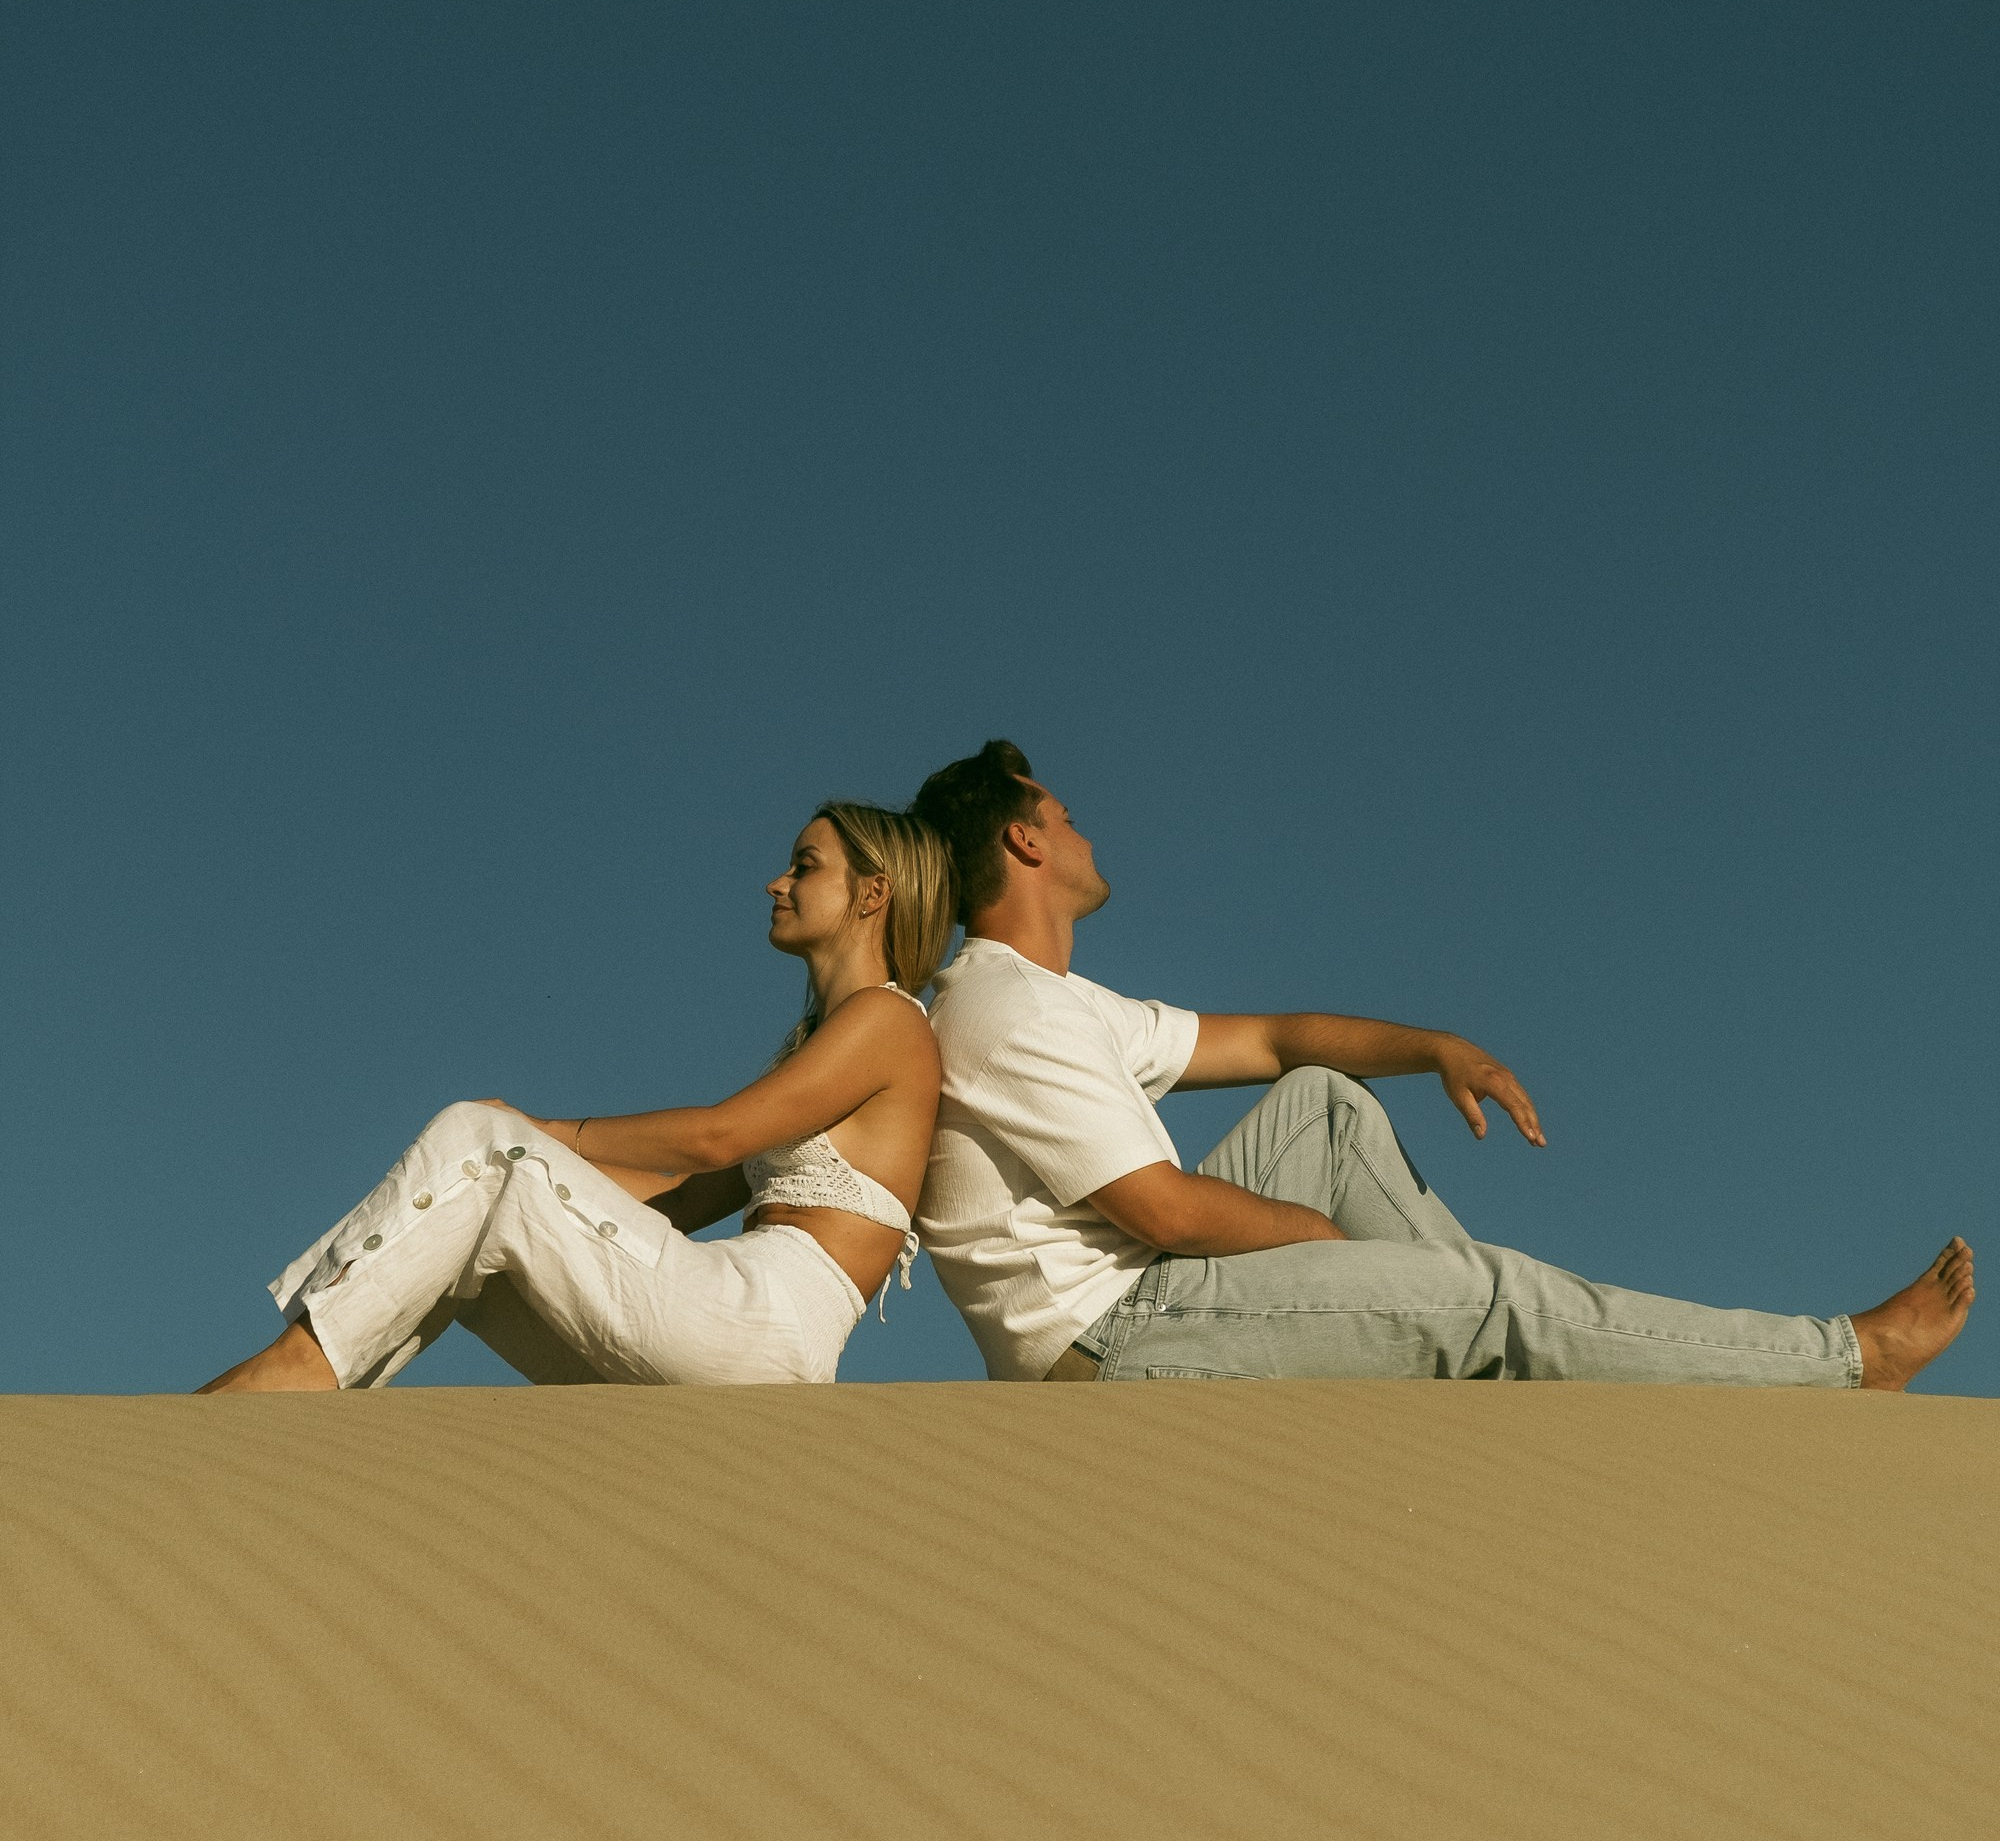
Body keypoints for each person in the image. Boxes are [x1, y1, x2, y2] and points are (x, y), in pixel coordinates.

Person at [905, 741, 1974, 1393]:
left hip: (1157, 1299)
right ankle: (1845, 1359)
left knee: (1321, 1105)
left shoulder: (1061, 999)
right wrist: (1315, 1243)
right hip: (1108, 1347)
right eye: (1063, 814)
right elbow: (1165, 1214)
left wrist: (1431, 1050)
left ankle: (1483, 1357)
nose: (1083, 830)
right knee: (1487, 1290)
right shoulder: (1003, 1009)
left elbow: (1275, 1041)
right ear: (1025, 843)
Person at [199, 803, 951, 1393]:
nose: (776, 882)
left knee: (474, 1135)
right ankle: (302, 1392)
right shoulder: (816, 1042)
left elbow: (716, 1138)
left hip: (766, 1322)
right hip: (736, 1334)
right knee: (470, 1233)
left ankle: (293, 1371)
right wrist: (530, 1168)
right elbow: (681, 1198)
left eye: (804, 866)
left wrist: (537, 1134)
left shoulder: (887, 1021)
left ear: (872, 893)